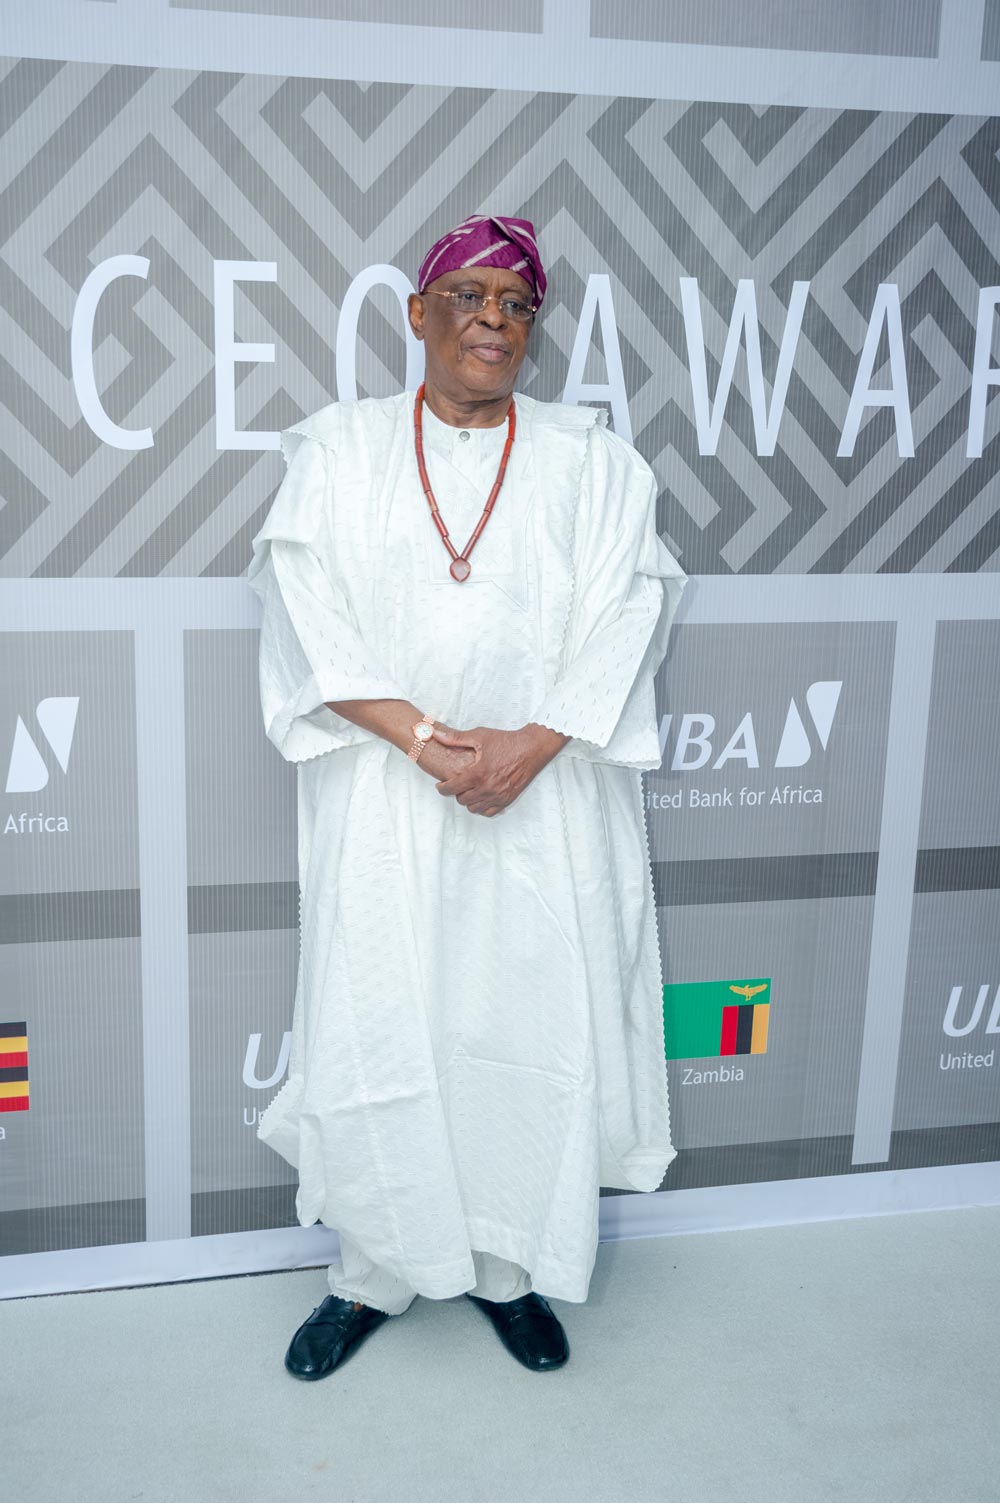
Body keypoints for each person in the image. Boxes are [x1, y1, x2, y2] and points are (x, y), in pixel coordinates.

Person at [246, 213, 687, 1379]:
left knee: (522, 1028)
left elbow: (631, 608)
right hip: (388, 796)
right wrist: (429, 745)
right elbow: (304, 609)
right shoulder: (339, 451)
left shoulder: (591, 460)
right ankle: (369, 1273)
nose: (494, 319)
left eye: (517, 304)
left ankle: (508, 1266)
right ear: (418, 314)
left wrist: (529, 748)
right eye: (470, 296)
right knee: (383, 1023)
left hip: (543, 800)